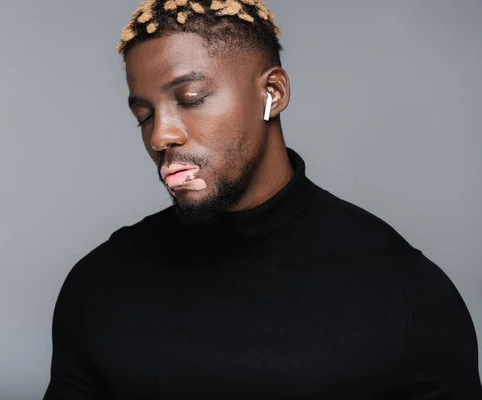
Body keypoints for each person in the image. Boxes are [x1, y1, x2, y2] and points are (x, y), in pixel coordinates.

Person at [43, 1, 482, 398]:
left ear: (272, 93)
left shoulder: (404, 290)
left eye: (190, 99)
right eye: (144, 115)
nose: (161, 136)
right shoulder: (100, 283)